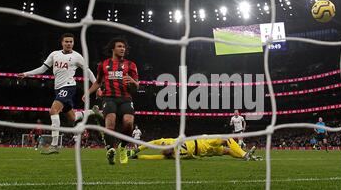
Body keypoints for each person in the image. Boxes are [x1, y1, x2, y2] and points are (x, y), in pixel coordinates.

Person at [18, 33, 101, 155]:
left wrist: (96, 86)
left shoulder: (77, 57)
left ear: (73, 43)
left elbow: (88, 72)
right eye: (66, 41)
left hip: (69, 86)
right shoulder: (54, 54)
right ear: (62, 42)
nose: (68, 43)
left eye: (71, 42)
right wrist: (26, 74)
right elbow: (42, 69)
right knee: (72, 117)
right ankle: (93, 112)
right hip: (58, 88)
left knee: (53, 110)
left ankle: (54, 145)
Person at [85, 37, 139, 165]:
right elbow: (98, 82)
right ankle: (110, 150)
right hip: (109, 97)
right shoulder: (103, 65)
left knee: (128, 123)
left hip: (125, 98)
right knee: (110, 123)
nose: (122, 49)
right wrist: (87, 93)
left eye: (124, 47)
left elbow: (136, 87)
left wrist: (133, 82)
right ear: (112, 49)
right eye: (120, 46)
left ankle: (123, 147)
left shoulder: (131, 65)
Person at [130, 137, 261, 161]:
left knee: (226, 139)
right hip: (204, 152)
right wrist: (138, 157)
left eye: (164, 146)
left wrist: (137, 150)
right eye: (164, 149)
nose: (165, 147)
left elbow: (151, 142)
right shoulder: (170, 156)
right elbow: (153, 157)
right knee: (226, 151)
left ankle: (244, 155)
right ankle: (245, 156)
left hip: (203, 142)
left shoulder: (168, 141)